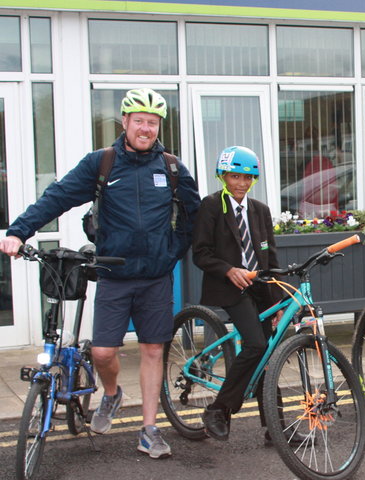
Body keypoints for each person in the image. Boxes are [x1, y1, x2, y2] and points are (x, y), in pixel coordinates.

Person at [0, 88, 201, 458]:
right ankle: (111, 394)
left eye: (152, 122)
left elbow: (194, 214)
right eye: (139, 121)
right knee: (104, 353)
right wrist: (18, 230)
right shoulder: (103, 163)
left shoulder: (171, 167)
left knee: (153, 349)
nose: (145, 128)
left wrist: (174, 251)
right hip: (113, 275)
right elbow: (58, 196)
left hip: (156, 277)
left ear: (159, 127)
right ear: (124, 122)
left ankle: (149, 430)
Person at [193, 146, 300, 445]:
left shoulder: (260, 210)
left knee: (269, 353)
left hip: (260, 287)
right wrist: (228, 270)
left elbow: (271, 259)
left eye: (247, 177)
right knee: (256, 345)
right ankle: (218, 409)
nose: (240, 183)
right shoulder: (212, 206)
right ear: (223, 176)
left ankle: (275, 428)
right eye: (234, 176)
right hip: (229, 286)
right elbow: (200, 254)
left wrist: (277, 299)